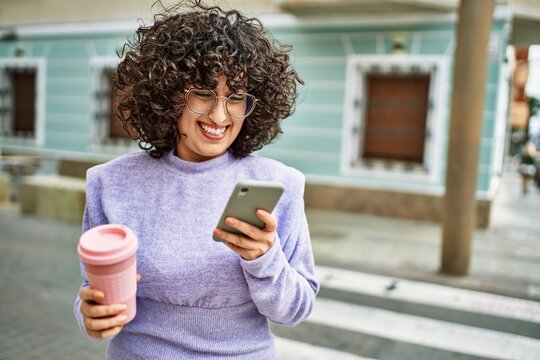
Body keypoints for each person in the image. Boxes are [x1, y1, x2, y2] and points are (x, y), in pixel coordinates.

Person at [73, 1, 319, 359]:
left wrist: (265, 259)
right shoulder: (110, 183)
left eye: (236, 98)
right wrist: (89, 316)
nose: (219, 115)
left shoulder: (280, 184)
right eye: (202, 95)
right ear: (167, 96)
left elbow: (295, 311)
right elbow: (91, 296)